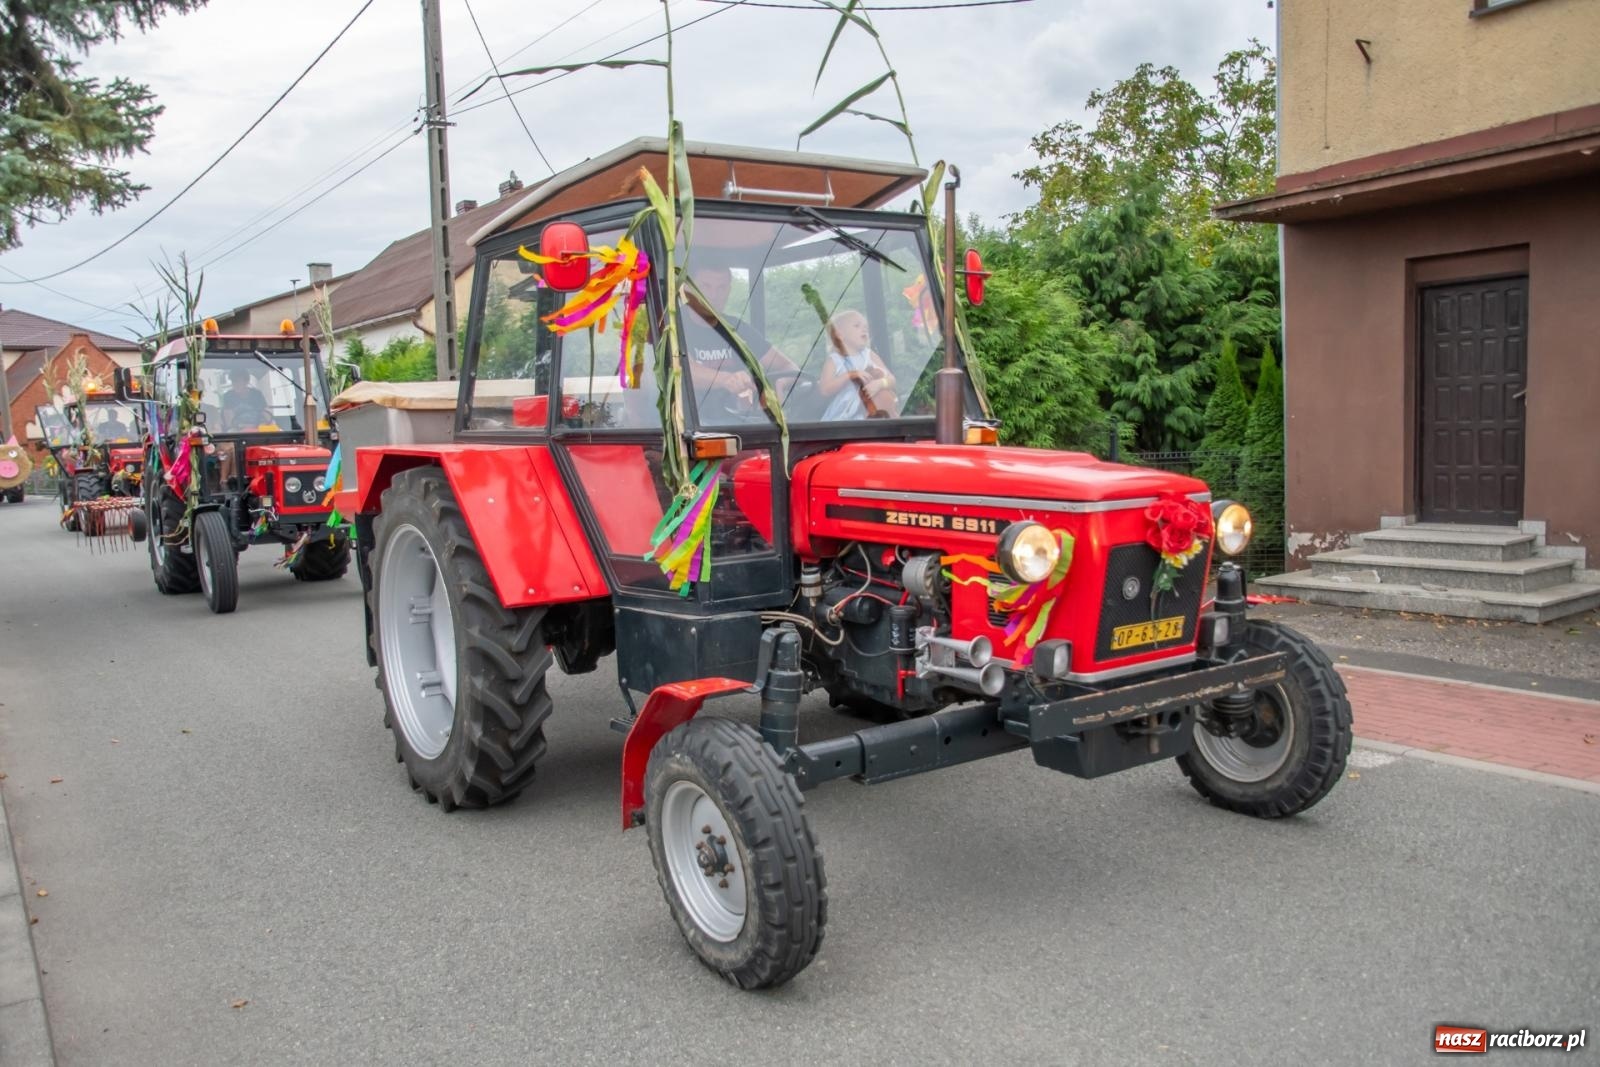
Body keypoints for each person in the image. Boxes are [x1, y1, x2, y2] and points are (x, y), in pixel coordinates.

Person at [679, 264, 799, 420]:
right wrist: (726, 379)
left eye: (721, 288)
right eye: (705, 286)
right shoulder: (673, 325)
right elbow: (683, 372)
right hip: (687, 426)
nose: (714, 295)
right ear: (688, 290)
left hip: (740, 423)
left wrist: (779, 383)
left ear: (728, 291)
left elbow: (790, 367)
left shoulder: (738, 330)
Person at [819, 309, 897, 420]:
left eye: (866, 327)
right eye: (857, 326)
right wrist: (850, 375)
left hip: (868, 414)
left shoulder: (869, 355)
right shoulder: (834, 361)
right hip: (843, 419)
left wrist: (880, 383)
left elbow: (892, 379)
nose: (864, 329)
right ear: (839, 334)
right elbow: (824, 390)